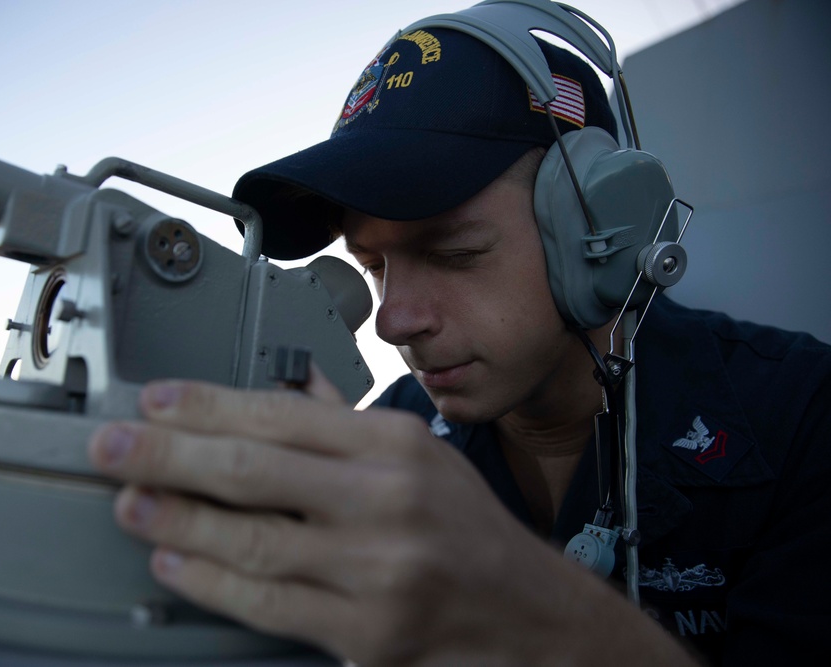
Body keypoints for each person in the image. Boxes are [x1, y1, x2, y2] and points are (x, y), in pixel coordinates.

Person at [87, 3, 831, 665]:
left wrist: (540, 617)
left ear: (601, 229)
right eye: (373, 266)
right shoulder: (393, 436)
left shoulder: (804, 417)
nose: (393, 319)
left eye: (453, 253)